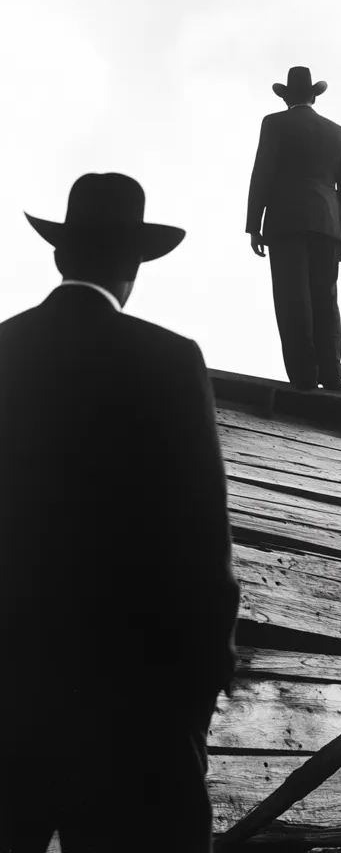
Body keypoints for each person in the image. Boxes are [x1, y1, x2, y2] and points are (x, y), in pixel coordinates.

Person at [0, 173, 240, 853]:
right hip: (133, 720)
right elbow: (202, 542)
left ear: (58, 255)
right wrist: (196, 697)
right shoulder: (168, 361)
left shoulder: (1, 351)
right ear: (134, 267)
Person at [245, 66, 341, 392]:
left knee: (292, 298)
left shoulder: (274, 123)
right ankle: (333, 376)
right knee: (326, 299)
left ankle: (305, 378)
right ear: (313, 96)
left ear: (286, 98)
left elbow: (262, 172)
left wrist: (254, 224)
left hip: (285, 221)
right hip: (328, 224)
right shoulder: (339, 132)